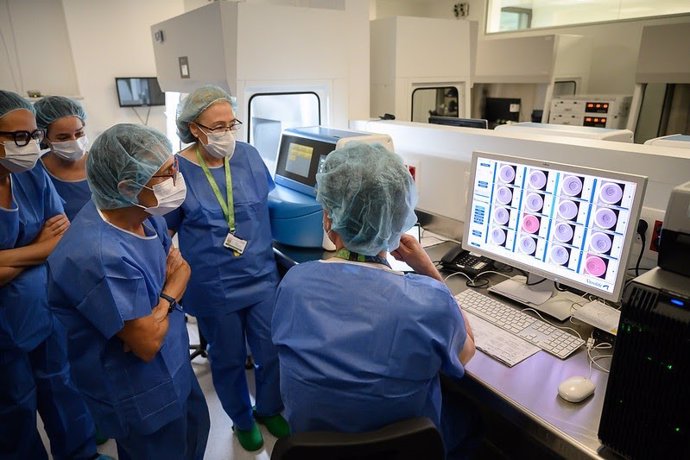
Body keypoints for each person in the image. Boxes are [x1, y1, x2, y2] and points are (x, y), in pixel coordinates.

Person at [272, 143, 477, 458]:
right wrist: (428, 270)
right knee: (471, 418)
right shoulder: (429, 300)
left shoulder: (294, 283)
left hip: (315, 451)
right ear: (399, 221)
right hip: (406, 451)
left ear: (328, 218)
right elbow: (465, 353)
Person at [47, 123, 210, 459]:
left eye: (174, 167)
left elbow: (180, 267)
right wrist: (169, 296)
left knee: (194, 433)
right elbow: (146, 343)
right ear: (126, 186)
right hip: (140, 391)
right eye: (166, 174)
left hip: (176, 364)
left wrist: (160, 306)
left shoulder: (147, 215)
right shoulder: (97, 255)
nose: (177, 179)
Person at [167, 84, 287, 451]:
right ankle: (241, 419)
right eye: (216, 127)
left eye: (230, 123)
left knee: (271, 350)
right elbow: (164, 229)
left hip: (261, 276)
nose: (226, 133)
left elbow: (264, 205)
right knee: (228, 358)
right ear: (194, 129)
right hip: (213, 285)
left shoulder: (248, 156)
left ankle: (269, 408)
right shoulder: (177, 169)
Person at [0, 90, 104, 459]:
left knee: (62, 388)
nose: (31, 145)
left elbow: (59, 241)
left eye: (32, 135)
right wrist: (36, 249)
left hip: (44, 310)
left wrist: (8, 259)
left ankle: (81, 455)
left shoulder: (30, 176)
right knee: (14, 409)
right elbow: (47, 244)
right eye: (18, 137)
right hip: (5, 331)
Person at [34, 96, 91, 220]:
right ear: (43, 137)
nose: (75, 141)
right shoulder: (36, 173)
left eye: (79, 133)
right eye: (63, 138)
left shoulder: (103, 163)